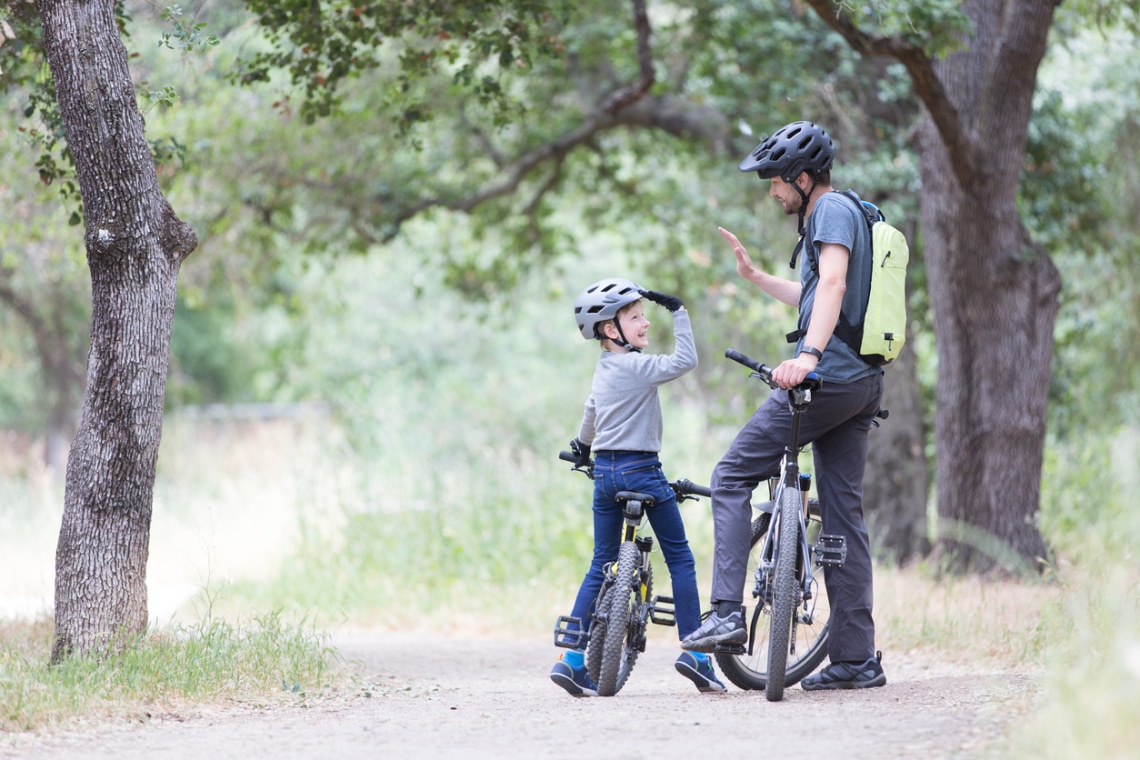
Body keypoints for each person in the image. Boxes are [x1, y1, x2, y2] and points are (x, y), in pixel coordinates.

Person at [680, 121, 887, 690]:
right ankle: (855, 661)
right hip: (861, 383)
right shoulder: (850, 213)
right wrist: (756, 278)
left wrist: (809, 356)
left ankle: (725, 612)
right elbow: (820, 293)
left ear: (802, 178)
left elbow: (837, 284)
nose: (772, 191)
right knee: (843, 517)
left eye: (775, 181)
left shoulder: (829, 212)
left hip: (827, 380)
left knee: (729, 475)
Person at [550, 277, 726, 697]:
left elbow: (592, 414)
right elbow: (685, 360)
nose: (646, 323)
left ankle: (571, 658)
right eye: (636, 317)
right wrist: (679, 311)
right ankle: (696, 655)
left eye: (645, 315)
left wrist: (581, 448)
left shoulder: (605, 368)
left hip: (606, 475)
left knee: (601, 562)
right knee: (680, 558)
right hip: (643, 470)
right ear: (611, 330)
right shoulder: (640, 368)